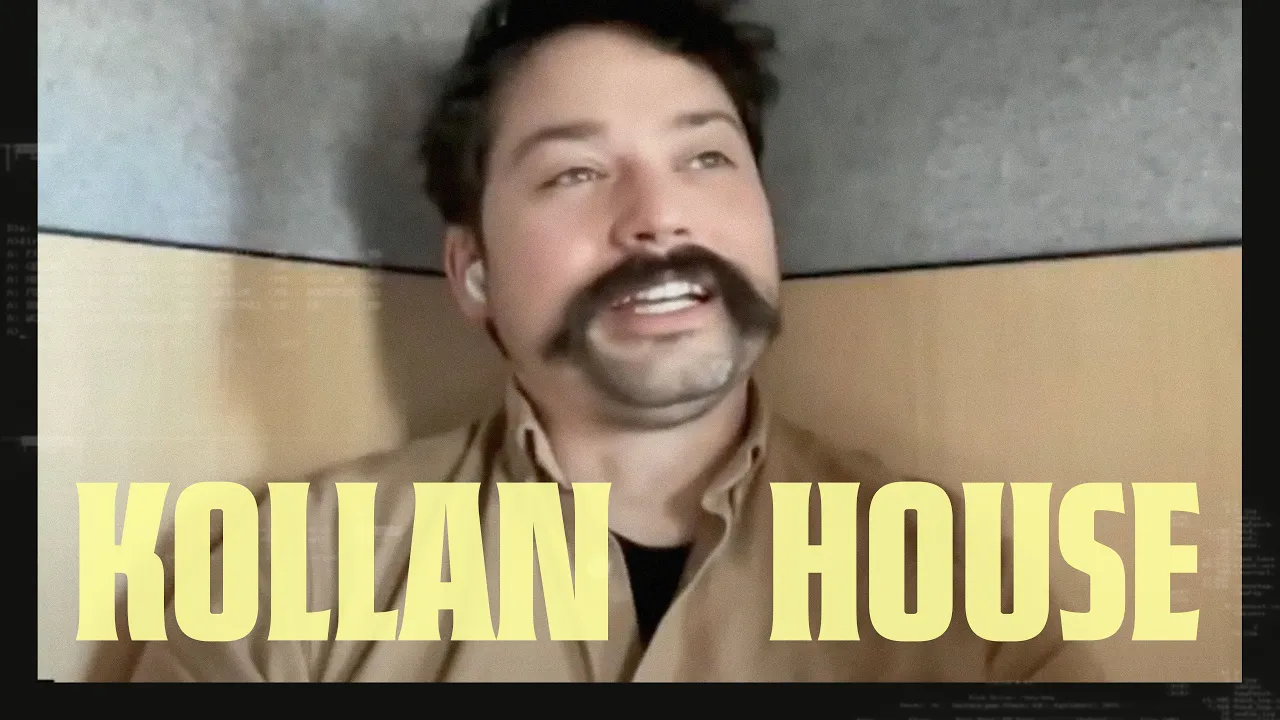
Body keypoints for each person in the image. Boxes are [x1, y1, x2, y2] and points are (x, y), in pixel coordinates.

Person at [115, 0, 1102, 682]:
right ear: (473, 270)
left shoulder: (959, 583)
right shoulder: (282, 585)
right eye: (576, 173)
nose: (659, 217)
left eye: (705, 156)